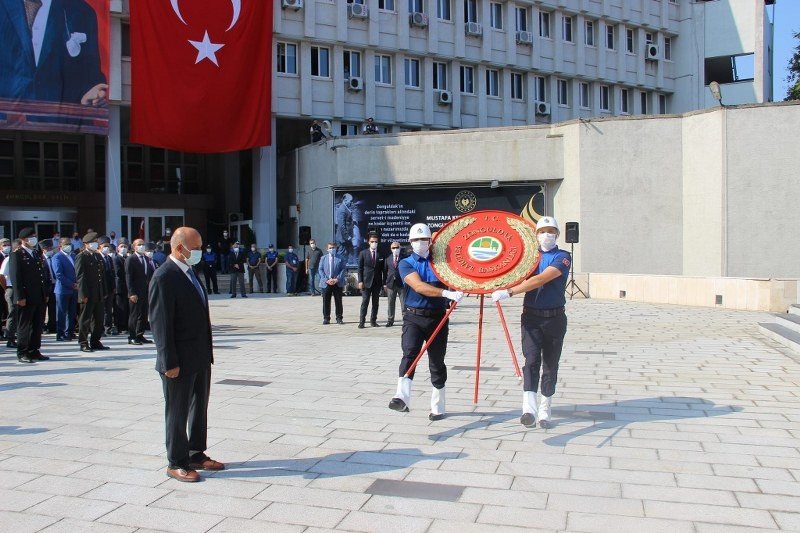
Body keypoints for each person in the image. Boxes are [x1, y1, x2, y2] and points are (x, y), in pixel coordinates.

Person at [149, 226, 223, 482]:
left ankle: (195, 453)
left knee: (198, 407)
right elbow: (161, 324)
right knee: (177, 411)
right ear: (179, 248)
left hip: (199, 356)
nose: (200, 252)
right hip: (178, 360)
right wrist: (168, 361)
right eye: (196, 248)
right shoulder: (164, 277)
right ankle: (176, 461)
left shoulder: (190, 271)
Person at [491, 216, 571, 429]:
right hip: (531, 317)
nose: (547, 235)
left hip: (555, 318)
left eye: (551, 231)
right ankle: (529, 407)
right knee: (531, 360)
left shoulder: (563, 257)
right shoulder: (527, 258)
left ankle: (545, 407)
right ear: (536, 234)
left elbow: (542, 279)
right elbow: (508, 270)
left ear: (557, 235)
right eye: (543, 231)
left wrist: (509, 292)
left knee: (550, 364)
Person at [388, 223, 463, 421]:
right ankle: (401, 397)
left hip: (438, 317)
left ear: (430, 241)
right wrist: (447, 293)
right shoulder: (406, 263)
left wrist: (464, 287)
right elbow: (418, 286)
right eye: (415, 240)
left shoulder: (442, 264)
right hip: (414, 317)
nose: (420, 243)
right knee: (409, 354)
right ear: (410, 242)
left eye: (424, 239)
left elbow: (460, 277)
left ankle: (438, 406)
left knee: (437, 362)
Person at [0, 0, 108, 105]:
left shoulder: (82, 12)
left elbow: (90, 75)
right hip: (6, 118)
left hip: (56, 120)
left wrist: (87, 96)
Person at [8, 228, 49, 363]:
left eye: (35, 236)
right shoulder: (17, 254)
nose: (34, 239)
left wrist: (45, 293)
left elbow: (41, 276)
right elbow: (16, 278)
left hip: (39, 295)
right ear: (24, 239)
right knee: (24, 325)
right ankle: (23, 352)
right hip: (26, 296)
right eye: (31, 237)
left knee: (37, 325)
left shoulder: (36, 253)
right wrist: (19, 297)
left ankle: (34, 350)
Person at [74, 232, 108, 353]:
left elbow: (101, 276)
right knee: (85, 319)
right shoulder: (81, 256)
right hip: (88, 293)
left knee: (98, 319)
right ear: (86, 244)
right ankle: (83, 342)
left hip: (98, 292)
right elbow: (80, 277)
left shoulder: (97, 256)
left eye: (95, 242)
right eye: (92, 242)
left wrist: (103, 291)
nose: (95, 244)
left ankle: (95, 340)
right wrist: (83, 294)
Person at [126, 238, 153, 345]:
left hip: (145, 291)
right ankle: (132, 336)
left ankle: (140, 334)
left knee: (143, 314)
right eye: (139, 244)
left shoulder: (146, 258)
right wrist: (131, 293)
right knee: (134, 315)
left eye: (143, 244)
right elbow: (128, 277)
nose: (142, 246)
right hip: (135, 292)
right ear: (134, 247)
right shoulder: (131, 259)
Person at [52, 237, 77, 342]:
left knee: (72, 312)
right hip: (62, 289)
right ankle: (60, 333)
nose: (69, 246)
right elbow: (59, 274)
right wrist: (71, 284)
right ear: (60, 246)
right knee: (62, 312)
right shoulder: (57, 257)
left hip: (74, 289)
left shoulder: (73, 256)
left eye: (69, 244)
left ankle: (69, 332)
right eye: (66, 244)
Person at [357, 233, 384, 328]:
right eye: (372, 241)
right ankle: (362, 321)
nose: (374, 243)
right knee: (365, 302)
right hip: (366, 282)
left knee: (375, 303)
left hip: (377, 282)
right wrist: (360, 281)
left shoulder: (381, 254)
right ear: (369, 242)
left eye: (376, 242)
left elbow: (383, 270)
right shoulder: (363, 253)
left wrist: (383, 284)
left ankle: (373, 321)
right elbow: (359, 269)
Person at [318, 243, 346, 325]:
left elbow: (343, 269)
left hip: (337, 282)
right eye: (330, 248)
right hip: (326, 283)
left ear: (336, 248)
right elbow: (320, 270)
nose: (332, 249)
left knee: (338, 301)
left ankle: (339, 318)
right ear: (327, 249)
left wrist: (337, 279)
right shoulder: (323, 258)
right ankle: (326, 318)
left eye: (333, 248)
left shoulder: (341, 258)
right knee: (326, 301)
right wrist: (326, 279)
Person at [1, 239, 20, 348]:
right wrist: (7, 288)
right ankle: (10, 338)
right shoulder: (9, 259)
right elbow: (1, 276)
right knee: (12, 314)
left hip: (20, 289)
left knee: (19, 314)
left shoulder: (20, 259)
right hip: (11, 288)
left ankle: (18, 335)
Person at [383, 241, 406, 327]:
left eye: (397, 247)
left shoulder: (404, 258)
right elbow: (385, 272)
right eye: (393, 248)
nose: (395, 249)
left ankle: (405, 319)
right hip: (390, 284)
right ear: (391, 249)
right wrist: (384, 284)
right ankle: (390, 320)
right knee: (390, 303)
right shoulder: (388, 258)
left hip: (401, 283)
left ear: (400, 248)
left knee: (403, 303)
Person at [99, 238, 117, 335]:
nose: (106, 248)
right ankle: (100, 328)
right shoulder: (98, 257)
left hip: (109, 288)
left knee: (108, 309)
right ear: (99, 246)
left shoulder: (109, 258)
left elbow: (111, 274)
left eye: (108, 246)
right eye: (104, 246)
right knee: (101, 310)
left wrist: (113, 287)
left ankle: (108, 327)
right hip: (101, 288)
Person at [39, 239, 57, 335]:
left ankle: (52, 326)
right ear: (43, 249)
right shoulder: (40, 259)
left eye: (51, 248)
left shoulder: (54, 257)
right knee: (42, 308)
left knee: (53, 307)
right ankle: (41, 326)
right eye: (48, 248)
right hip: (45, 286)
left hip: (54, 285)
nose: (50, 250)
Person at [113, 242, 129, 336]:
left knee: (126, 307)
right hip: (120, 286)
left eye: (125, 246)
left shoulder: (127, 258)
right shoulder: (116, 258)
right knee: (120, 307)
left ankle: (126, 325)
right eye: (121, 246)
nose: (123, 248)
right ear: (118, 248)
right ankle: (120, 326)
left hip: (127, 286)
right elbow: (118, 273)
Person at [0, 238, 10, 340]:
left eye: (8, 245)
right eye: (4, 245)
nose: (7, 247)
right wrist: (5, 287)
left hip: (7, 287)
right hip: (2, 287)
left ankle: (6, 332)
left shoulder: (10, 256)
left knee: (6, 310)